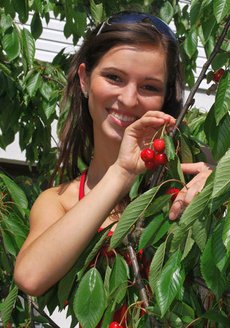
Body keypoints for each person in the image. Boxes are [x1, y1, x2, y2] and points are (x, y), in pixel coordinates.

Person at [14, 11, 212, 297]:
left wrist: (218, 192)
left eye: (149, 87)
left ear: (165, 98)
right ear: (84, 79)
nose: (129, 99)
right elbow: (31, 277)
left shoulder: (182, 186)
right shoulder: (59, 202)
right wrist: (121, 173)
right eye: (114, 77)